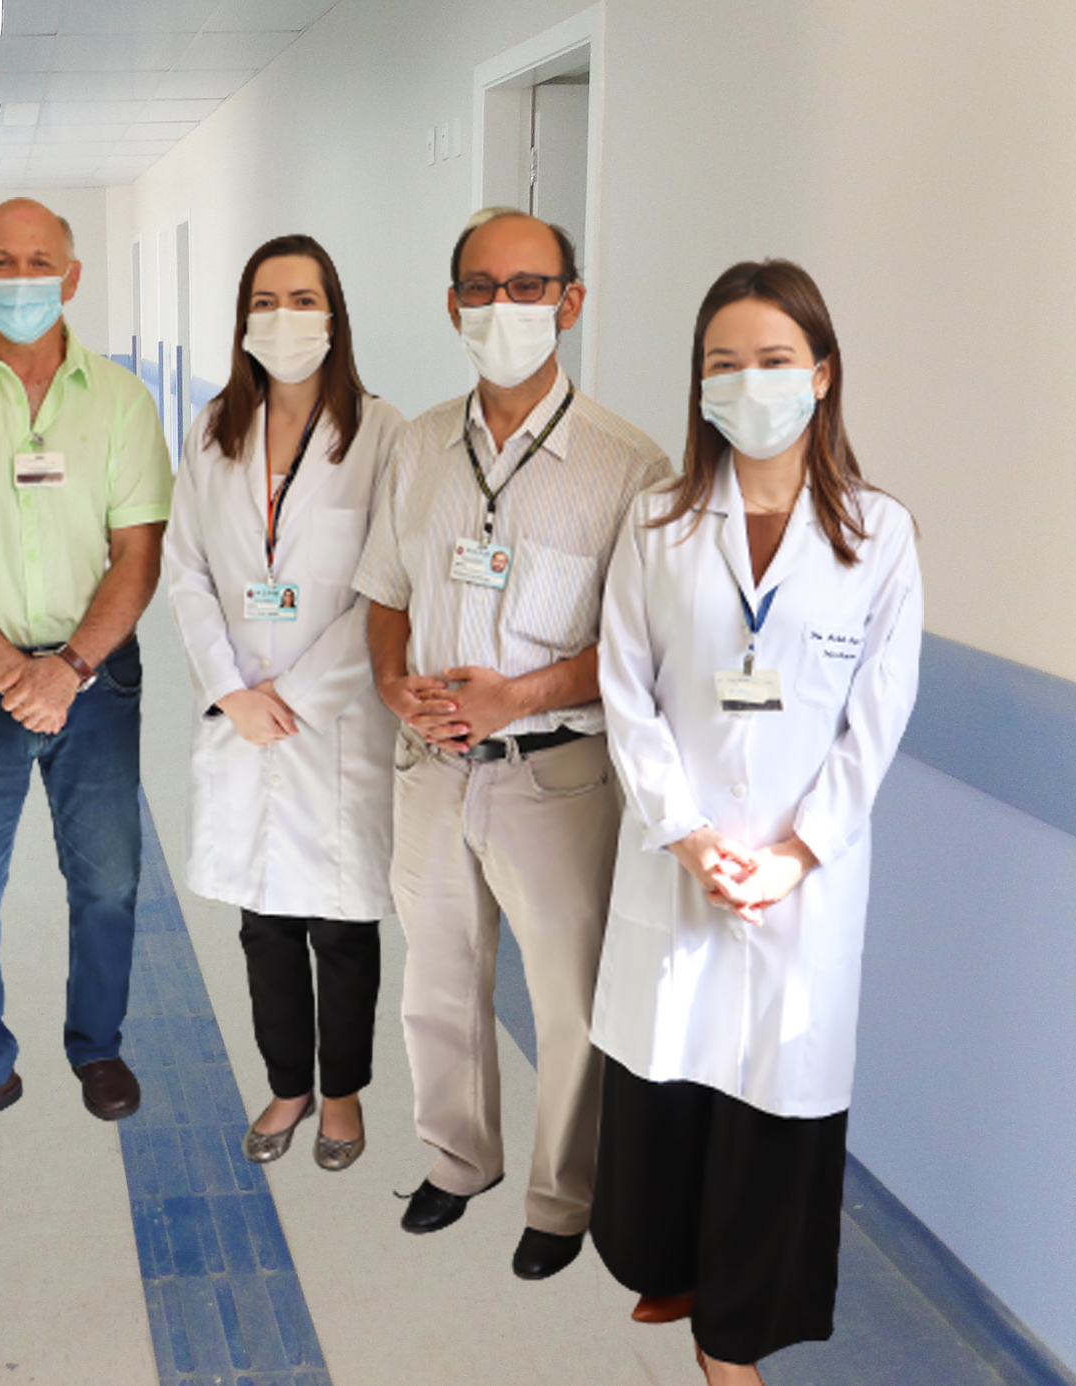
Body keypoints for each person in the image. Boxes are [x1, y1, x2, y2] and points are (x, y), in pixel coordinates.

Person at [590, 260, 922, 1385]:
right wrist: (683, 833)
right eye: (720, 365)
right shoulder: (660, 523)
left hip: (801, 876)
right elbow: (622, 687)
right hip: (679, 859)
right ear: (696, 389)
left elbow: (875, 720)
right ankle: (676, 1279)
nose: (747, 383)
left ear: (820, 376)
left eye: (772, 361)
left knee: (774, 1107)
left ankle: (732, 1349)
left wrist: (793, 855)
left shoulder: (877, 536)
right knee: (670, 1095)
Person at [354, 207, 670, 1278]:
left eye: (528, 287)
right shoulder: (417, 445)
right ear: (451, 306)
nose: (504, 308)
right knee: (436, 982)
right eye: (481, 288)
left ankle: (559, 1195)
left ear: (569, 303)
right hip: (432, 772)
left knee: (567, 998)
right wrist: (395, 685)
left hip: (554, 777)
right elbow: (385, 595)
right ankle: (456, 1161)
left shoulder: (629, 465)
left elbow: (634, 647)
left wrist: (515, 695)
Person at [0, 197, 171, 1155]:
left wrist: (73, 666)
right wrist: (11, 664)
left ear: (73, 276)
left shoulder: (125, 403)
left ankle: (97, 1048)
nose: (19, 278)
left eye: (38, 260)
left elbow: (139, 555)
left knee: (109, 886)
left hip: (97, 684)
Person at [165, 235, 405, 1171]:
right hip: (240, 718)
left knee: (342, 926)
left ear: (333, 314)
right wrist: (231, 688)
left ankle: (341, 1095)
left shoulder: (383, 434)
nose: (284, 317)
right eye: (266, 299)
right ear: (243, 319)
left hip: (330, 719)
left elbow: (387, 591)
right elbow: (187, 570)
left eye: (303, 298)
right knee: (262, 922)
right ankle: (287, 1086)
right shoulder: (214, 426)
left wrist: (292, 696)